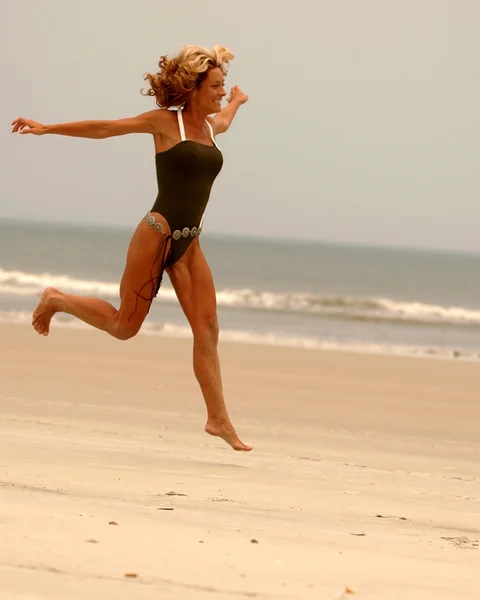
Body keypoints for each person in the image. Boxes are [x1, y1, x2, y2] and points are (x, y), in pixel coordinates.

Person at [11, 45, 252, 452]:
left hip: (189, 242)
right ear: (193, 89)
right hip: (156, 234)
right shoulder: (164, 124)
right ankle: (56, 299)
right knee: (124, 326)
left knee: (208, 328)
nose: (220, 91)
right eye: (215, 85)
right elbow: (105, 128)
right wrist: (47, 128)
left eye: (222, 85)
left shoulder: (211, 127)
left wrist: (237, 102)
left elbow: (225, 120)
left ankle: (218, 419)